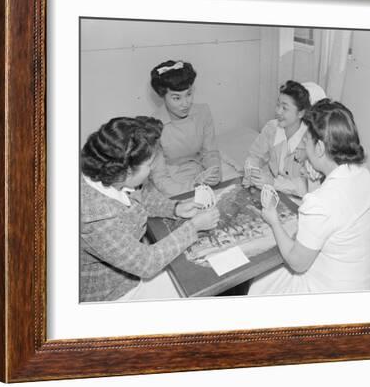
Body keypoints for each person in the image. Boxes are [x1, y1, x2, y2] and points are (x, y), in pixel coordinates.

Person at [80, 116, 220, 302]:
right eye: (148, 165)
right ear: (127, 171)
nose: (152, 169)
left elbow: (141, 195)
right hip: (113, 292)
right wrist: (193, 227)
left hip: (131, 266)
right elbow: (147, 263)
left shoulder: (112, 176)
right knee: (200, 281)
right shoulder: (95, 218)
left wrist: (175, 208)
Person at [248, 99, 370, 295]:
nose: (303, 145)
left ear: (319, 148)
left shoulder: (320, 202)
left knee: (259, 283)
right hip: (362, 283)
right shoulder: (362, 173)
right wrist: (315, 181)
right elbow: (328, 219)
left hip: (331, 296)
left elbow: (297, 263)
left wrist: (274, 221)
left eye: (306, 141)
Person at [148, 60, 222, 196]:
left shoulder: (203, 112)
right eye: (177, 98)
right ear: (162, 97)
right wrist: (194, 185)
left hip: (200, 173)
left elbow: (210, 152)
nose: (185, 104)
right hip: (171, 184)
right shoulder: (153, 127)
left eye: (188, 94)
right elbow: (160, 177)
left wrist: (214, 172)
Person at [243, 80, 319, 199]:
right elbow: (254, 156)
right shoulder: (271, 128)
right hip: (273, 193)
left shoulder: (311, 141)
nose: (278, 111)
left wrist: (274, 183)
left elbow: (307, 186)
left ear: (300, 113)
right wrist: (252, 171)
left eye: (285, 108)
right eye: (278, 105)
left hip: (299, 200)